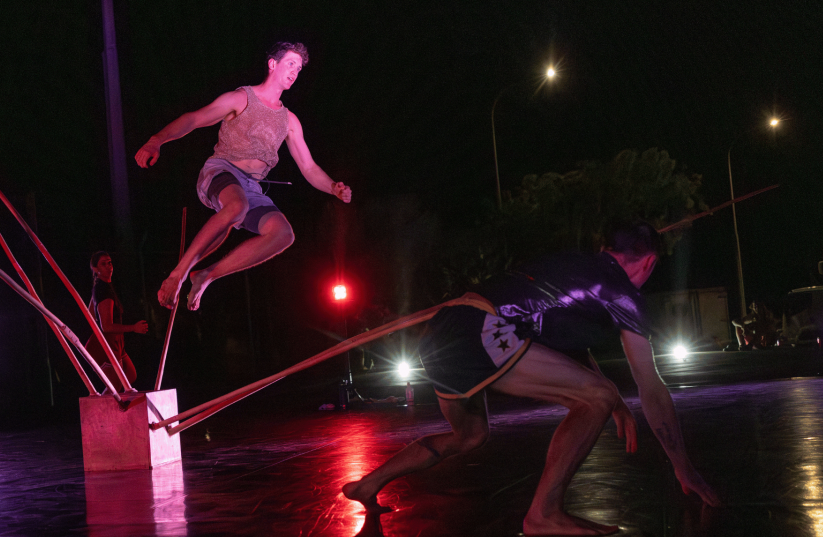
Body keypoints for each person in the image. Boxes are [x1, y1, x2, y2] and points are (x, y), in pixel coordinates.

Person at [342, 221, 720, 536]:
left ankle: (368, 483)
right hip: (482, 328)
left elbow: (570, 353)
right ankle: (544, 514)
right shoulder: (622, 294)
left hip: (445, 331)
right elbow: (650, 387)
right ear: (650, 262)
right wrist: (682, 465)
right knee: (596, 397)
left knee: (470, 436)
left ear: (605, 248)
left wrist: (616, 404)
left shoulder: (571, 264)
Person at [135, 42, 352, 311]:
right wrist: (157, 140)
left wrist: (333, 187)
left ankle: (206, 275)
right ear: (272, 64)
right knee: (237, 207)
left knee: (283, 234)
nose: (295, 71)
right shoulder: (242, 98)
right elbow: (195, 118)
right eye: (290, 63)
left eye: (299, 67)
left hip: (251, 187)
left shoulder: (289, 121)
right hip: (221, 170)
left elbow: (308, 167)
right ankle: (178, 273)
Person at [85, 251, 148, 390]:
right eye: (103, 264)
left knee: (130, 375)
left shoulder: (102, 287)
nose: (109, 266)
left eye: (110, 263)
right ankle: (101, 410)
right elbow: (106, 326)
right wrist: (133, 328)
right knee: (116, 384)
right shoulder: (103, 290)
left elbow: (90, 313)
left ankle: (112, 406)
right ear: (95, 269)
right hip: (107, 342)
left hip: (116, 341)